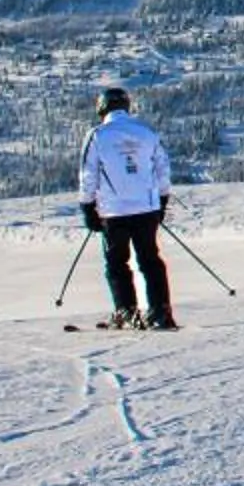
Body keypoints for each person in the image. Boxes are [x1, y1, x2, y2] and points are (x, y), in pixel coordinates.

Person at [78, 84, 177, 330]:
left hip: (114, 212)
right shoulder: (146, 132)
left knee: (116, 263)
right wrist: (162, 200)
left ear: (102, 108)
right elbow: (163, 169)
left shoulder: (98, 135)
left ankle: (126, 311)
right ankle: (160, 312)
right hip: (146, 209)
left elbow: (87, 175)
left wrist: (88, 208)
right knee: (150, 260)